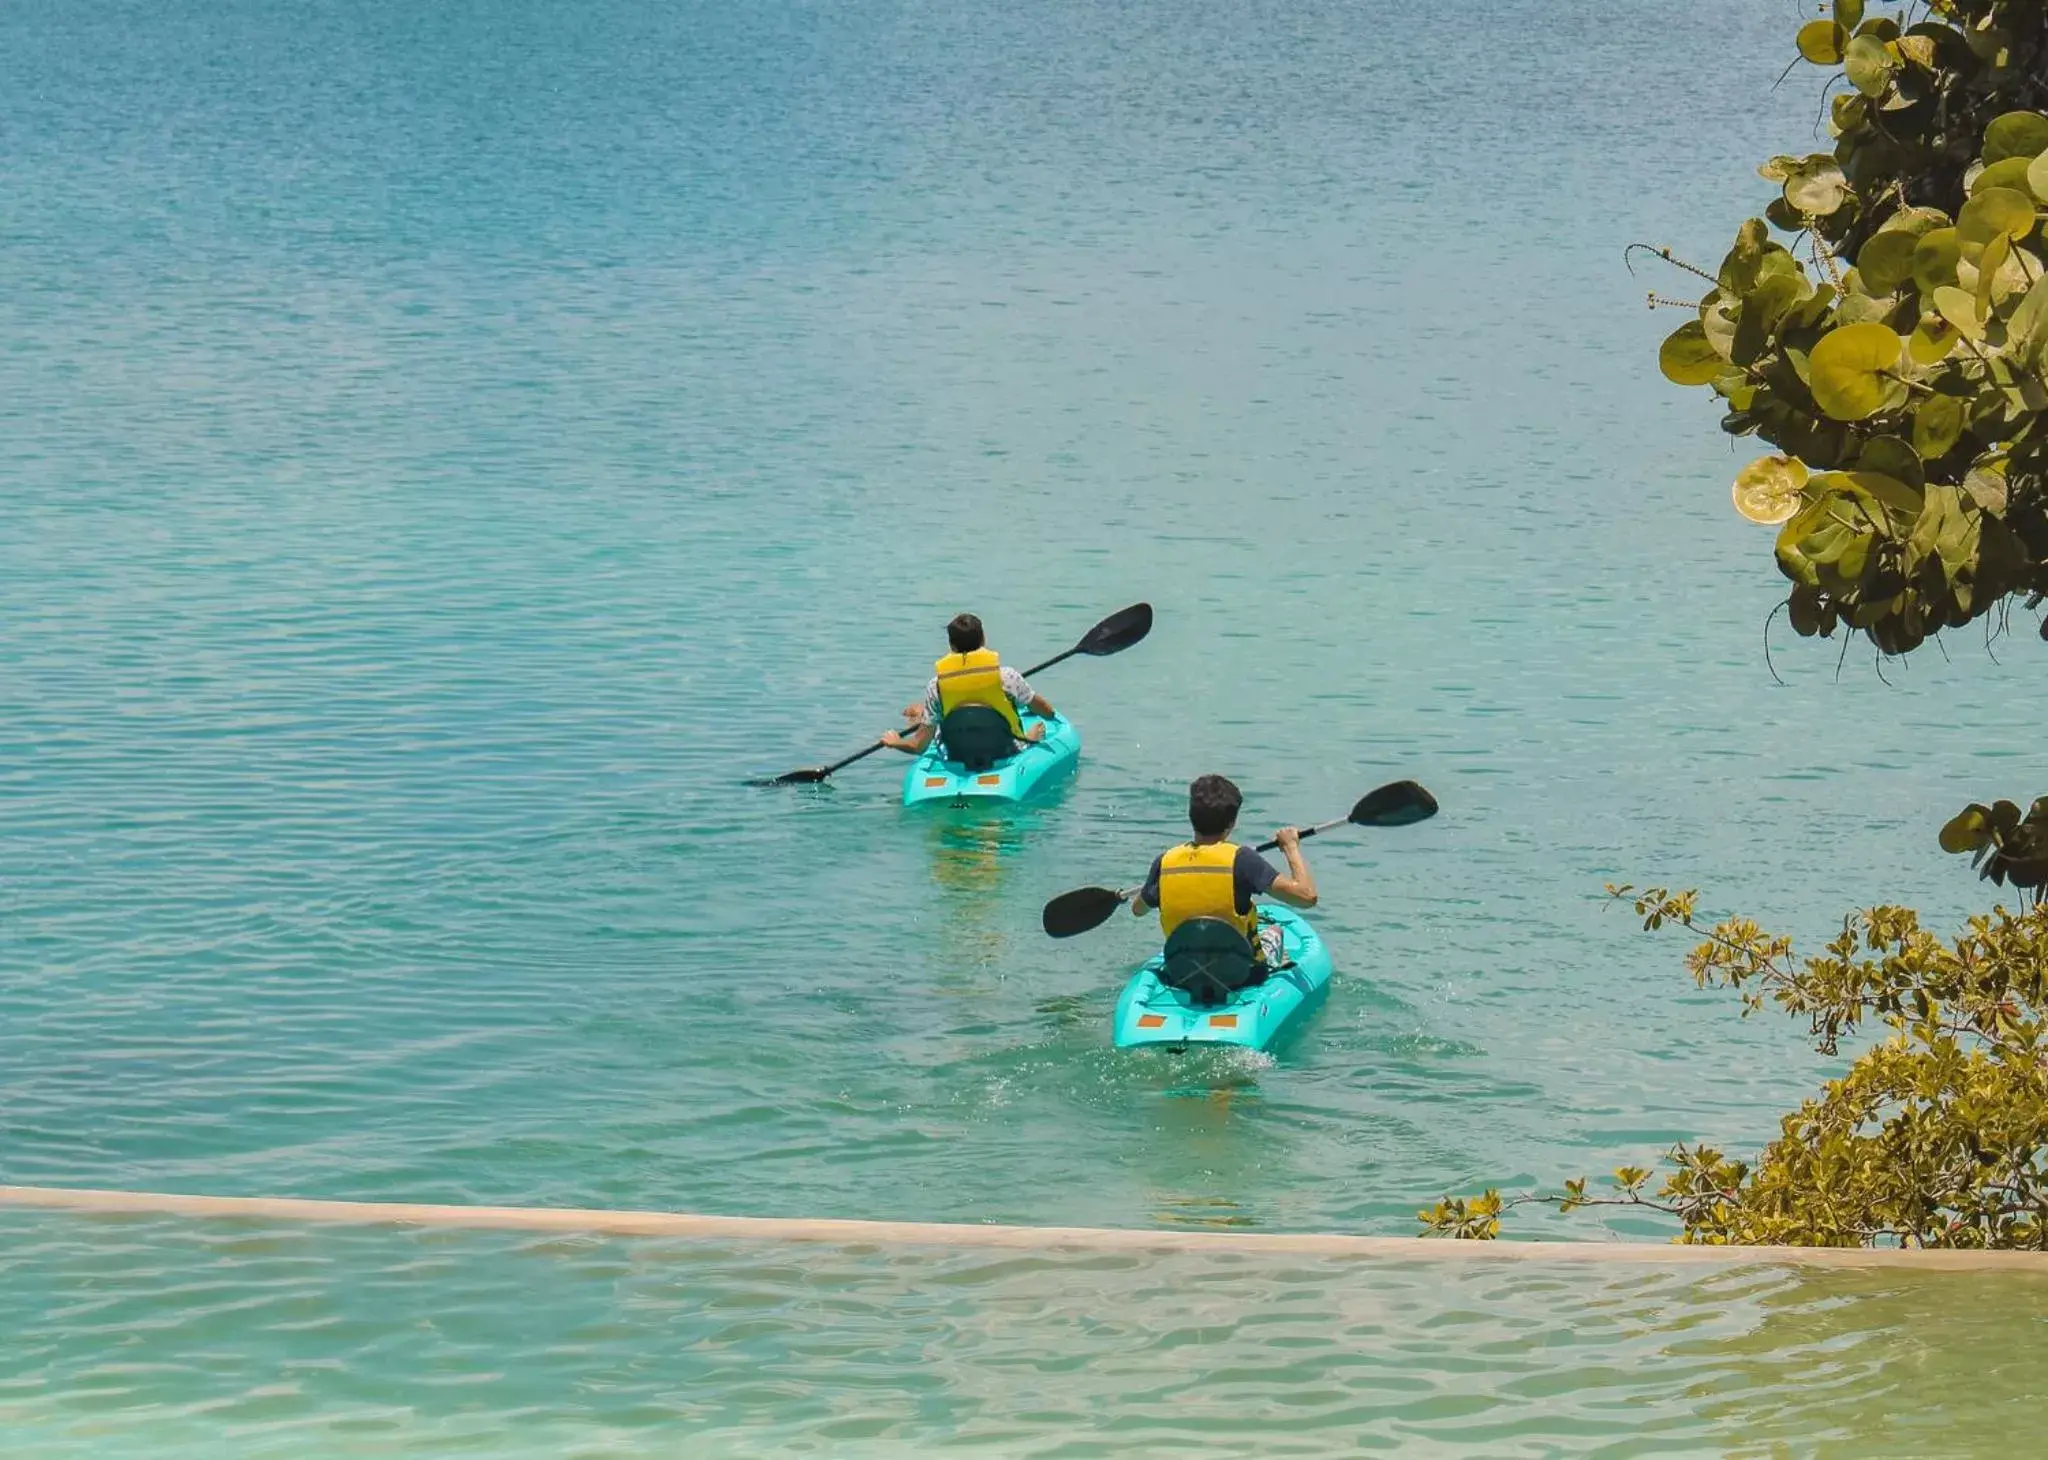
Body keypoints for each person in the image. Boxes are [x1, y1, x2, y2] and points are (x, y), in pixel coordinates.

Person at [1130, 774, 1317, 967]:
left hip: (1182, 972)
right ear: (1232, 823)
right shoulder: (1242, 860)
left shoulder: (1164, 862)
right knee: (1275, 931)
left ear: (1191, 816)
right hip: (1241, 975)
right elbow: (1306, 897)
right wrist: (1290, 847)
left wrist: (1154, 886)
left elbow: (1137, 909)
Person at [880, 613, 1056, 756]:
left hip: (957, 754)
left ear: (951, 645)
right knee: (1032, 729)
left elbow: (919, 746)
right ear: (983, 640)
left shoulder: (936, 686)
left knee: (920, 715)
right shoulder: (1007, 677)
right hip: (1007, 751)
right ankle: (1028, 738)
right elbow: (1048, 712)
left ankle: (918, 717)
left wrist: (896, 742)